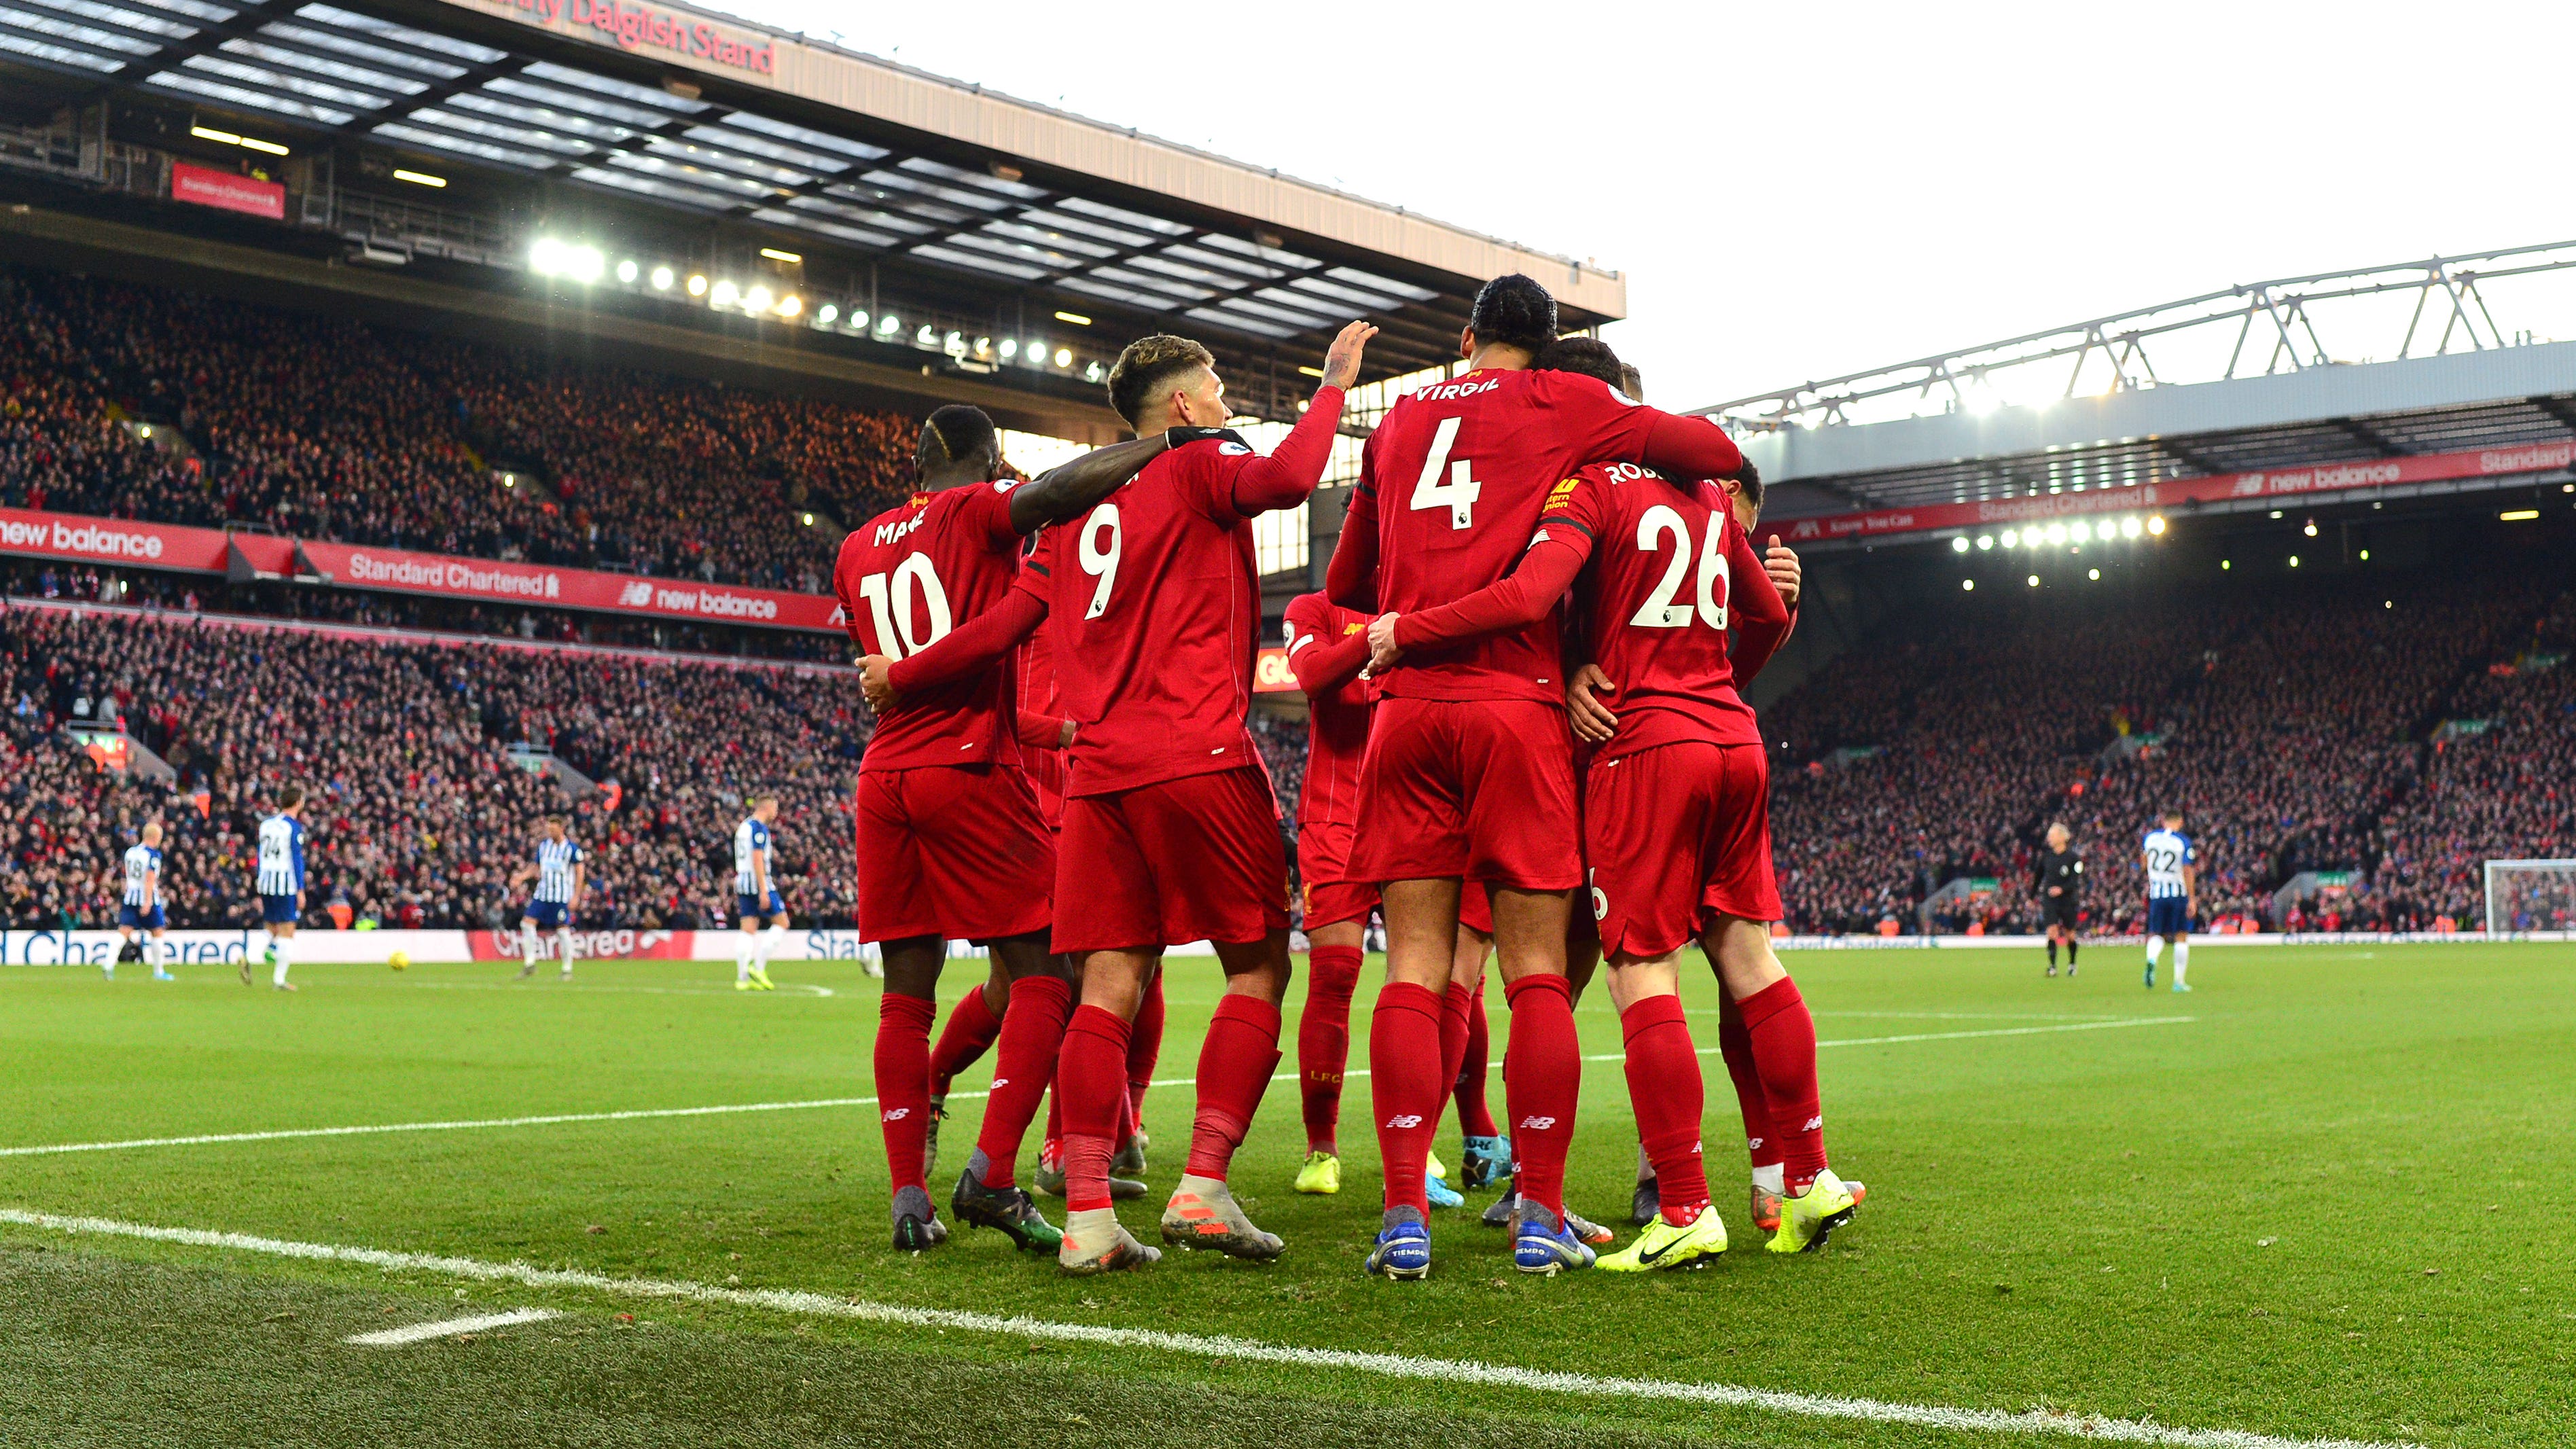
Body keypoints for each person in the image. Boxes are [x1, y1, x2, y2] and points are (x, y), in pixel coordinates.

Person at [865, 318, 1376, 1273]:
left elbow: (1015, 617)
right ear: (1180, 404)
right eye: (1217, 387)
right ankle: (1205, 1185)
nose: (1227, 405)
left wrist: (906, 669)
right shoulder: (1199, 460)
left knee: (1104, 983)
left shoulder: (1068, 514)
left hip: (1097, 776)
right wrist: (1336, 384)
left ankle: (1091, 1215)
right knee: (1259, 966)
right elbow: (1291, 480)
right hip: (1197, 753)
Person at [1367, 336, 1855, 1265]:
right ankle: (1802, 1175)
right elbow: (1762, 614)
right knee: (1745, 956)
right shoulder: (1711, 495)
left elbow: (1533, 590)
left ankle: (1673, 1200)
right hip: (1732, 742)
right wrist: (1735, 650)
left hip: (1631, 751)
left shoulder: (1586, 485)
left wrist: (1423, 633)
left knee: (1605, 971)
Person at [1325, 275, 1751, 1281]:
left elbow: (1346, 584)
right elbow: (1714, 455)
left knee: (1415, 967)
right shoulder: (1567, 400)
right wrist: (1614, 435)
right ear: (1551, 348)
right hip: (1514, 712)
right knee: (1537, 974)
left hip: (1407, 714)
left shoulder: (1395, 423)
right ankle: (1541, 1214)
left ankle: (1401, 1217)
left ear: (1468, 337)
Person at [836, 405, 1172, 1253]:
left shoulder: (855, 546)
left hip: (885, 778)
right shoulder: (974, 508)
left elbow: (884, 669)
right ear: (980, 459)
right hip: (967, 768)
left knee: (905, 993)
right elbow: (1055, 494)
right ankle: (990, 1173)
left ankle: (909, 1198)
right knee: (1048, 972)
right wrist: (1163, 444)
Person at [1280, 588, 1376, 1196]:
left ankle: (1463, 1137)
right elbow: (1314, 674)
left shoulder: (1430, 588)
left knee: (1450, 977)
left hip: (1420, 804)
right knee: (1335, 975)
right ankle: (1322, 1146)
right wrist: (1382, 635)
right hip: (1337, 815)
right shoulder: (1314, 607)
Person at [509, 816, 583, 982]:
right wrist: (521, 877)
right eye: (549, 829)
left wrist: (576, 896)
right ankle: (529, 964)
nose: (550, 832)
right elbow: (536, 867)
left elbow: (580, 872)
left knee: (563, 930)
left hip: (561, 897)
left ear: (561, 829)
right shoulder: (544, 846)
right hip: (543, 894)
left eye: (553, 829)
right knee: (526, 923)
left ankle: (567, 969)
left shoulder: (571, 849)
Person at [252, 787, 306, 992]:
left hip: (266, 881)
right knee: (287, 930)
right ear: (298, 802)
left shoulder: (266, 825)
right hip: (285, 883)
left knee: (271, 928)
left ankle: (248, 956)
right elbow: (296, 859)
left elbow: (261, 853)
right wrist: (300, 889)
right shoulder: (293, 827)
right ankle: (279, 980)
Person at [732, 796, 787, 991]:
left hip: (743, 881)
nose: (777, 812)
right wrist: (764, 890)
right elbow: (757, 858)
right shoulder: (758, 828)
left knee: (748, 928)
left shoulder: (744, 826)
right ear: (769, 806)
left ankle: (742, 978)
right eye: (776, 807)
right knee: (782, 923)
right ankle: (758, 967)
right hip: (757, 882)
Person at [2143, 810, 2196, 991]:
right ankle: (2178, 982)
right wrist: (2192, 899)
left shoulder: (2150, 838)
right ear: (2180, 822)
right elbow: (2187, 870)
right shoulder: (2182, 841)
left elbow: (2144, 862)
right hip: (2178, 893)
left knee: (2156, 934)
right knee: (2181, 936)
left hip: (2157, 894)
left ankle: (2151, 960)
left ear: (2163, 821)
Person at [115, 820, 172, 982]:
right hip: (149, 898)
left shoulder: (130, 852)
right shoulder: (153, 854)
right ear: (156, 837)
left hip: (130, 896)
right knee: (158, 931)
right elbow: (149, 879)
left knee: (124, 931)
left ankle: (108, 964)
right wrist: (147, 901)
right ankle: (159, 972)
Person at [2035, 821, 2083, 976]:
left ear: (2062, 837)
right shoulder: (2046, 857)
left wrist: (2061, 889)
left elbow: (2075, 881)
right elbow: (2038, 877)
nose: (2049, 838)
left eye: (2052, 835)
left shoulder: (2074, 858)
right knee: (2052, 932)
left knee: (2070, 935)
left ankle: (2072, 963)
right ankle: (2053, 966)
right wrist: (2031, 895)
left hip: (2068, 900)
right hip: (2050, 900)